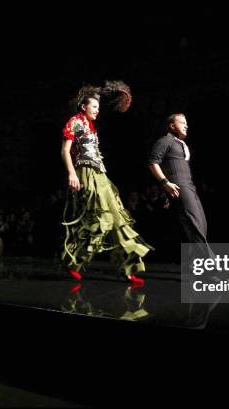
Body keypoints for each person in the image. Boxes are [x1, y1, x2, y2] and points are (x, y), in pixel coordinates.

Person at [60, 82, 152, 286]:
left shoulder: (92, 128)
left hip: (101, 175)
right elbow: (65, 150)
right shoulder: (75, 122)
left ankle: (129, 270)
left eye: (99, 108)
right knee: (100, 220)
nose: (97, 111)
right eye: (94, 107)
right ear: (83, 106)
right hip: (85, 173)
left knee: (119, 219)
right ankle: (74, 262)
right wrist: (72, 174)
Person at [148, 113, 210, 248]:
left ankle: (194, 263)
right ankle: (208, 260)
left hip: (189, 186)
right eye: (182, 122)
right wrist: (165, 183)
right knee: (194, 222)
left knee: (201, 223)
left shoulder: (180, 144)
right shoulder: (165, 141)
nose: (186, 125)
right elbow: (153, 163)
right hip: (178, 185)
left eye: (186, 123)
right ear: (172, 126)